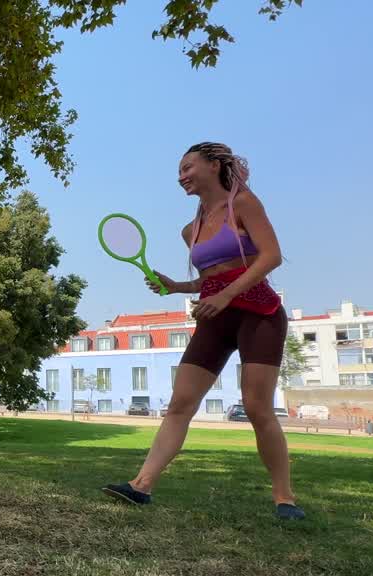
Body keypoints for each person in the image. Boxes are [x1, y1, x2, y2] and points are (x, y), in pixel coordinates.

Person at [101, 142, 305, 520]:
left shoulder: (243, 203)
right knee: (180, 404)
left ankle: (284, 498)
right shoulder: (189, 229)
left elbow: (270, 256)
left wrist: (227, 295)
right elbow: (209, 277)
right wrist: (177, 286)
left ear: (214, 165)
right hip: (215, 316)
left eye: (187, 167)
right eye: (178, 172)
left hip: (259, 314)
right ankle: (141, 486)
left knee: (258, 407)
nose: (181, 177)